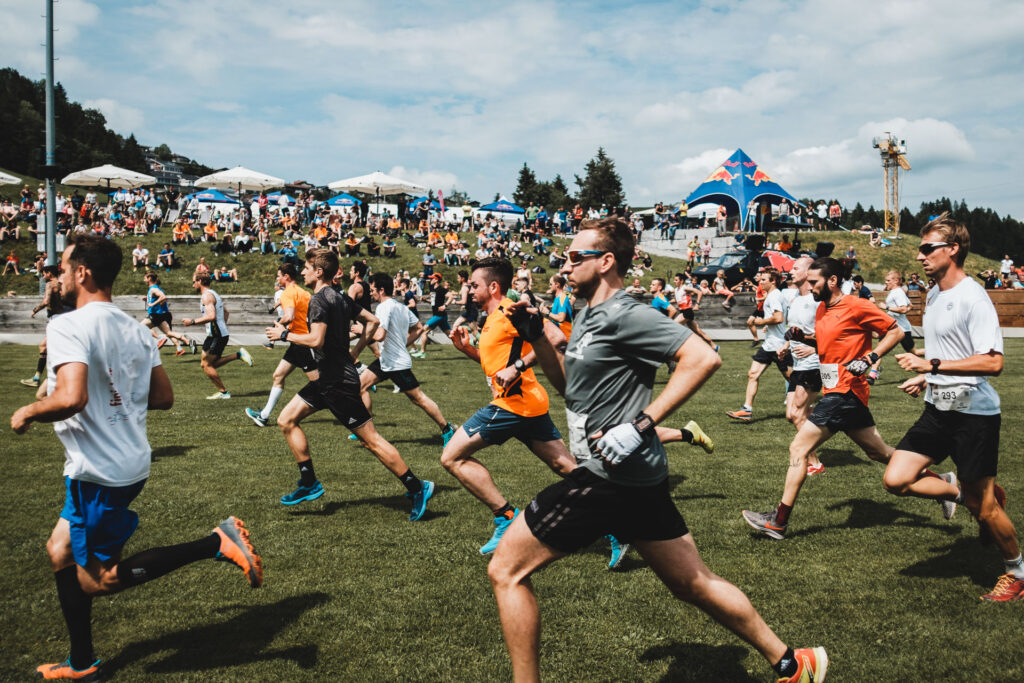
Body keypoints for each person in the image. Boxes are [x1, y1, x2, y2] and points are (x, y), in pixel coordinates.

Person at [486, 218, 827, 683]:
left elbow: (703, 358)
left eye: (575, 256)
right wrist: (538, 338)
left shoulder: (629, 312)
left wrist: (642, 422)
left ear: (606, 261)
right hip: (634, 476)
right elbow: (571, 391)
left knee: (506, 570)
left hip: (611, 477)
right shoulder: (585, 313)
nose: (565, 263)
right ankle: (793, 663)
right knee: (692, 584)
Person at [10, 235, 262, 682]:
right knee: (59, 549)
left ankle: (217, 542)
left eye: (65, 268)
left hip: (100, 472)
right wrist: (114, 393)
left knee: (97, 581)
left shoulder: (67, 325)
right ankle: (82, 663)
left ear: (83, 272)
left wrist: (28, 410)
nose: (59, 276)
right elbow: (163, 397)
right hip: (127, 460)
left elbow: (70, 398)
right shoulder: (135, 328)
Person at [740, 257, 943, 539]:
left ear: (832, 281)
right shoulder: (823, 308)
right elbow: (830, 345)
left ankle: (778, 521)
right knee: (879, 453)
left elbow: (894, 331)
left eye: (814, 282)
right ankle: (943, 485)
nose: (810, 287)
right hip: (839, 392)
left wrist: (871, 357)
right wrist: (807, 339)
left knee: (798, 449)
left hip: (845, 392)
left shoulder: (857, 305)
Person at [883, 214, 1023, 601]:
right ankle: (955, 490)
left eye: (928, 248)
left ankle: (1017, 571)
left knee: (986, 509)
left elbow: (993, 362)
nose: (920, 255)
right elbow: (949, 351)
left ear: (953, 249)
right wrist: (928, 376)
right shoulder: (933, 294)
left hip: (974, 416)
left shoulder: (973, 298)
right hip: (938, 409)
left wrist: (931, 366)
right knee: (896, 479)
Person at [265, 249, 435, 520]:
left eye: (307, 267)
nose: (304, 272)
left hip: (339, 383)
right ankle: (309, 482)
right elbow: (373, 321)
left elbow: (316, 340)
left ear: (319, 272)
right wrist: (355, 352)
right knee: (286, 420)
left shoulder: (320, 300)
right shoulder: (340, 297)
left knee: (372, 441)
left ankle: (418, 487)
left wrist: (284, 334)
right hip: (327, 378)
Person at [443, 257, 578, 555]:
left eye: (474, 285)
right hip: (528, 402)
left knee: (452, 457)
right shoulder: (492, 319)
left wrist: (517, 366)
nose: (469, 289)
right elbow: (496, 366)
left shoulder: (509, 311)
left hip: (513, 404)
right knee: (566, 467)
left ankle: (506, 517)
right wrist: (467, 349)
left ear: (493, 287)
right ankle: (619, 519)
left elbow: (556, 337)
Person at [353, 272, 457, 445]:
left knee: (418, 399)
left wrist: (362, 331)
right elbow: (418, 328)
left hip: (396, 364)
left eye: (372, 290)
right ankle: (366, 431)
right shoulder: (400, 306)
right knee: (360, 386)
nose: (371, 293)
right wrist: (403, 343)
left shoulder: (384, 307)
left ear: (381, 289)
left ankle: (447, 429)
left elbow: (380, 335)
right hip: (386, 360)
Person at [245, 264, 319, 427]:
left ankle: (351, 414)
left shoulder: (287, 293)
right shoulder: (304, 292)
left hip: (300, 342)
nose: (277, 279)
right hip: (298, 340)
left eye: (279, 275)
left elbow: (289, 315)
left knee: (319, 384)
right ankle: (264, 415)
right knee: (278, 376)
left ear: (286, 277)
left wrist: (277, 325)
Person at [775, 257, 824, 474]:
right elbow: (794, 329)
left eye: (796, 268)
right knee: (791, 415)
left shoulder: (818, 301)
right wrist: (786, 345)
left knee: (797, 414)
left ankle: (813, 463)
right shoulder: (795, 298)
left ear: (809, 271)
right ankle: (829, 415)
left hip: (814, 363)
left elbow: (830, 334)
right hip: (798, 363)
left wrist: (814, 349)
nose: (791, 271)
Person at [726, 269, 789, 422]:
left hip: (779, 345)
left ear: (773, 281)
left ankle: (810, 404)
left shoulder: (774, 296)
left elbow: (779, 318)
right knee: (753, 374)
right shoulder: (773, 296)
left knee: (795, 379)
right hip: (769, 344)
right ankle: (747, 410)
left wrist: (761, 322)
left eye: (763, 280)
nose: (760, 282)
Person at [181, 273, 254, 399]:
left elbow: (211, 316)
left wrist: (192, 322)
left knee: (207, 365)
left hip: (216, 334)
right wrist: (222, 327)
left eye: (194, 281)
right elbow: (226, 311)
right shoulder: (213, 293)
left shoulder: (207, 296)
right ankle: (238, 355)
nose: (193, 284)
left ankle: (224, 392)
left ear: (199, 281)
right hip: (216, 334)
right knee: (207, 365)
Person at [867, 270, 922, 384]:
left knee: (914, 352)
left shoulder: (898, 293)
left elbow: (902, 309)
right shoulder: (897, 291)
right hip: (893, 327)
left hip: (901, 329)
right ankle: (872, 375)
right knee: (880, 348)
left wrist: (887, 308)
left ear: (895, 281)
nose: (885, 282)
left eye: (888, 280)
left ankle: (933, 360)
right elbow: (909, 306)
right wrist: (904, 310)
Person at [21, 265, 64, 388]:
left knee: (49, 348)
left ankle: (49, 379)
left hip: (56, 320)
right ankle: (37, 377)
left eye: (44, 273)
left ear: (49, 273)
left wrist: (35, 310)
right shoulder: (62, 283)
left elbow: (46, 301)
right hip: (61, 318)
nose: (43, 276)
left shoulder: (50, 284)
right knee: (44, 347)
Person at [141, 273, 191, 356]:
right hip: (159, 314)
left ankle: (159, 338)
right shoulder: (154, 289)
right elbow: (158, 298)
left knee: (140, 327)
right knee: (168, 332)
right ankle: (184, 343)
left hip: (155, 314)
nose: (144, 280)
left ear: (149, 278)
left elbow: (163, 297)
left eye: (145, 278)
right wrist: (147, 299)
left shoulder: (153, 289)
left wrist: (152, 304)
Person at [671, 273, 717, 350]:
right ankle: (714, 346)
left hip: (687, 312)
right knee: (699, 332)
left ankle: (678, 347)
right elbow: (675, 300)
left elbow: (699, 292)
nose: (674, 281)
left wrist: (697, 304)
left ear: (682, 281)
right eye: (674, 280)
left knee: (673, 326)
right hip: (683, 312)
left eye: (676, 280)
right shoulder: (676, 290)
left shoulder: (685, 288)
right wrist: (666, 302)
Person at [413, 274, 451, 357]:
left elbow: (451, 296)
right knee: (451, 335)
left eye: (432, 279)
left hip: (439, 315)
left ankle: (422, 352)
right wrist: (426, 300)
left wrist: (445, 305)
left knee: (424, 330)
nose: (430, 280)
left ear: (436, 280)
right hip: (441, 316)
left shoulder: (441, 289)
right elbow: (434, 303)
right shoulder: (434, 290)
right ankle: (466, 344)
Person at [451, 269, 480, 338]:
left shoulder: (464, 288)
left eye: (458, 278)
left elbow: (464, 301)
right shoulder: (468, 286)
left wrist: (455, 302)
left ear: (462, 278)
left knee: (474, 332)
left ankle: (482, 343)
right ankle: (462, 341)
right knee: (455, 325)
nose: (457, 279)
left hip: (471, 312)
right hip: (469, 311)